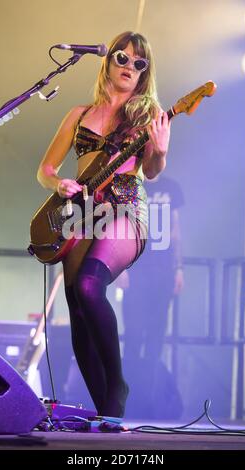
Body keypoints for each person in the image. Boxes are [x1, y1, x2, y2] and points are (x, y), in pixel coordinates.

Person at [36, 31, 171, 417]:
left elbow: (152, 170)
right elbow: (45, 168)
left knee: (91, 285)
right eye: (122, 58)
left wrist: (159, 153)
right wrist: (57, 181)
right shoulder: (78, 114)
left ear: (146, 73)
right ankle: (107, 414)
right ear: (108, 62)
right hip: (81, 211)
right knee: (77, 308)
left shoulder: (147, 114)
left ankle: (118, 384)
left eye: (139, 63)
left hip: (126, 207)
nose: (130, 66)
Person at [121, 174, 184, 418]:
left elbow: (176, 231)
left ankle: (149, 403)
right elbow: (122, 226)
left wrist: (179, 268)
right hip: (136, 269)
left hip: (163, 272)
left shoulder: (171, 187)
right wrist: (122, 267)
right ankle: (129, 402)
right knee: (134, 337)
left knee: (156, 339)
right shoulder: (130, 185)